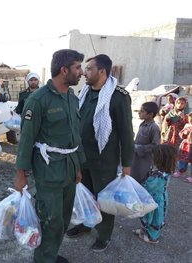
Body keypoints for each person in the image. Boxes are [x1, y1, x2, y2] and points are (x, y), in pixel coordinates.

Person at [14, 49, 85, 263]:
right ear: (64, 70)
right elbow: (26, 139)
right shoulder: (38, 100)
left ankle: (50, 254)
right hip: (49, 170)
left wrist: (78, 167)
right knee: (50, 220)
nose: (81, 72)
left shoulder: (71, 97)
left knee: (62, 219)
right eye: (77, 67)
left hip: (69, 168)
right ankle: (44, 259)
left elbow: (75, 135)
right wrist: (21, 174)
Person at [66, 54, 134, 252]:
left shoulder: (118, 96)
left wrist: (127, 164)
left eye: (89, 69)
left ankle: (104, 235)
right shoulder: (84, 92)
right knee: (84, 194)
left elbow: (126, 132)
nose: (84, 72)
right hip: (82, 156)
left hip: (104, 159)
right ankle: (86, 224)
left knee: (104, 199)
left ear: (102, 71)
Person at [132, 144, 177, 243]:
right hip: (154, 198)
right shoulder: (162, 171)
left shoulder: (159, 176)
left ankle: (153, 237)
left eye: (154, 156)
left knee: (155, 219)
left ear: (161, 159)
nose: (152, 157)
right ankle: (146, 231)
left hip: (156, 201)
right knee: (149, 216)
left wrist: (136, 187)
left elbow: (148, 187)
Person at [131, 102, 161, 184]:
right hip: (136, 156)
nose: (139, 112)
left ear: (150, 114)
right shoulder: (142, 124)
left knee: (141, 178)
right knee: (133, 176)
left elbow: (155, 145)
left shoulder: (154, 128)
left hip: (145, 159)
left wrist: (140, 148)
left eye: (142, 111)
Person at [173, 112, 192, 178]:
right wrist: (184, 133)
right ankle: (181, 171)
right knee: (182, 159)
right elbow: (181, 134)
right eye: (190, 118)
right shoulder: (187, 125)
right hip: (186, 146)